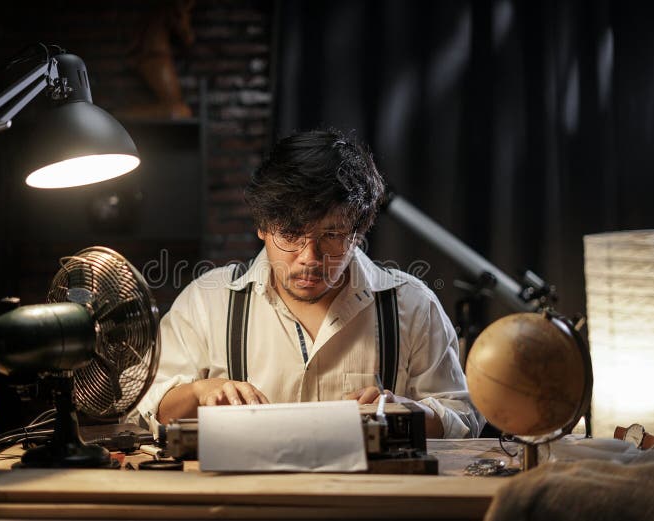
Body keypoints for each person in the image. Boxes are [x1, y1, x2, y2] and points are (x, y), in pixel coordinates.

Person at [131, 129, 483, 438]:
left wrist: (406, 412)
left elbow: (465, 419)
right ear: (263, 226)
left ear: (359, 232)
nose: (310, 257)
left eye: (331, 235)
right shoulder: (208, 302)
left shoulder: (412, 305)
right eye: (290, 234)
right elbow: (144, 405)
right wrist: (199, 392)